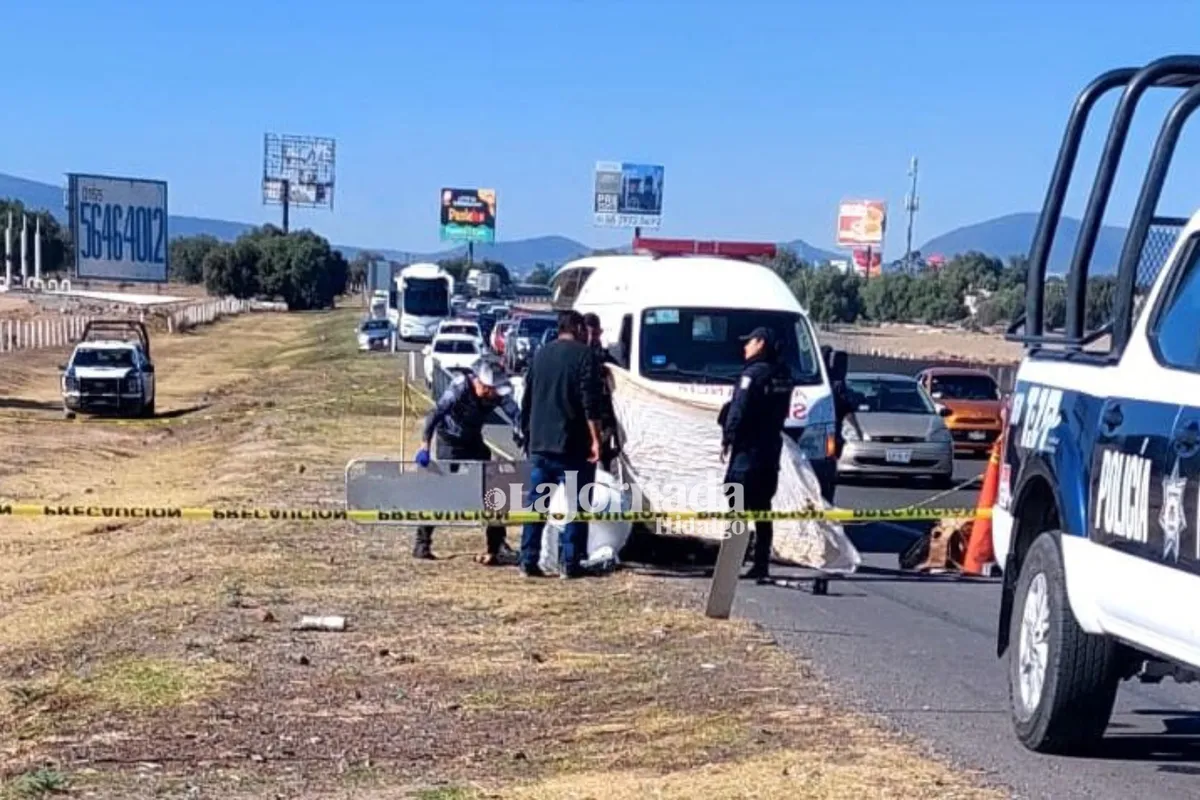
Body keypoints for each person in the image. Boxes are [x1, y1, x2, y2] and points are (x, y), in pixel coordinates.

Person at [518, 310, 604, 579]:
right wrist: (596, 440)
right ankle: (571, 561)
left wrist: (528, 434)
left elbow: (527, 398)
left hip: (541, 444)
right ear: (578, 328)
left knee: (537, 504)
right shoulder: (584, 356)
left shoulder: (540, 354)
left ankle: (528, 559)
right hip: (573, 445)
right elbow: (590, 402)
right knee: (577, 505)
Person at [413, 358, 525, 563]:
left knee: (493, 487)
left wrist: (521, 430)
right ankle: (422, 542)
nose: (493, 396)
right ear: (480, 383)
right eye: (490, 390)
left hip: (473, 440)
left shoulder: (496, 393)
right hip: (450, 441)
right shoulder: (460, 387)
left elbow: (515, 413)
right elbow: (435, 414)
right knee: (442, 488)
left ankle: (497, 544)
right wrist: (424, 445)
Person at [718, 326, 793, 581]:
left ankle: (731, 560)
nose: (745, 346)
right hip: (770, 449)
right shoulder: (783, 375)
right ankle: (761, 562)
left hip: (747, 449)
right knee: (763, 508)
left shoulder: (752, 375)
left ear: (760, 343)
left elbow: (739, 408)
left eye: (749, 342)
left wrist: (728, 437)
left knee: (735, 501)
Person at [582, 312, 621, 470]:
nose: (592, 339)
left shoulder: (607, 360)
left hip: (603, 419)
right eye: (589, 334)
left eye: (595, 334)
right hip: (582, 421)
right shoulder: (578, 359)